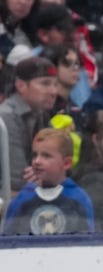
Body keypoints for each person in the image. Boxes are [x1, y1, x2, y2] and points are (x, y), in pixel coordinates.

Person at [3, 126, 94, 234]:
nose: (37, 161)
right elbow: (9, 240)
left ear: (66, 163)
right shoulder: (22, 199)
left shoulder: (78, 199)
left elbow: (87, 241)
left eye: (46, 156)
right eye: (34, 155)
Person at [0, 55, 57, 192]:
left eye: (55, 84)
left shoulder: (41, 114)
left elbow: (61, 168)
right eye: (45, 84)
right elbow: (18, 180)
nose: (54, 92)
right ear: (21, 86)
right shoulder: (5, 118)